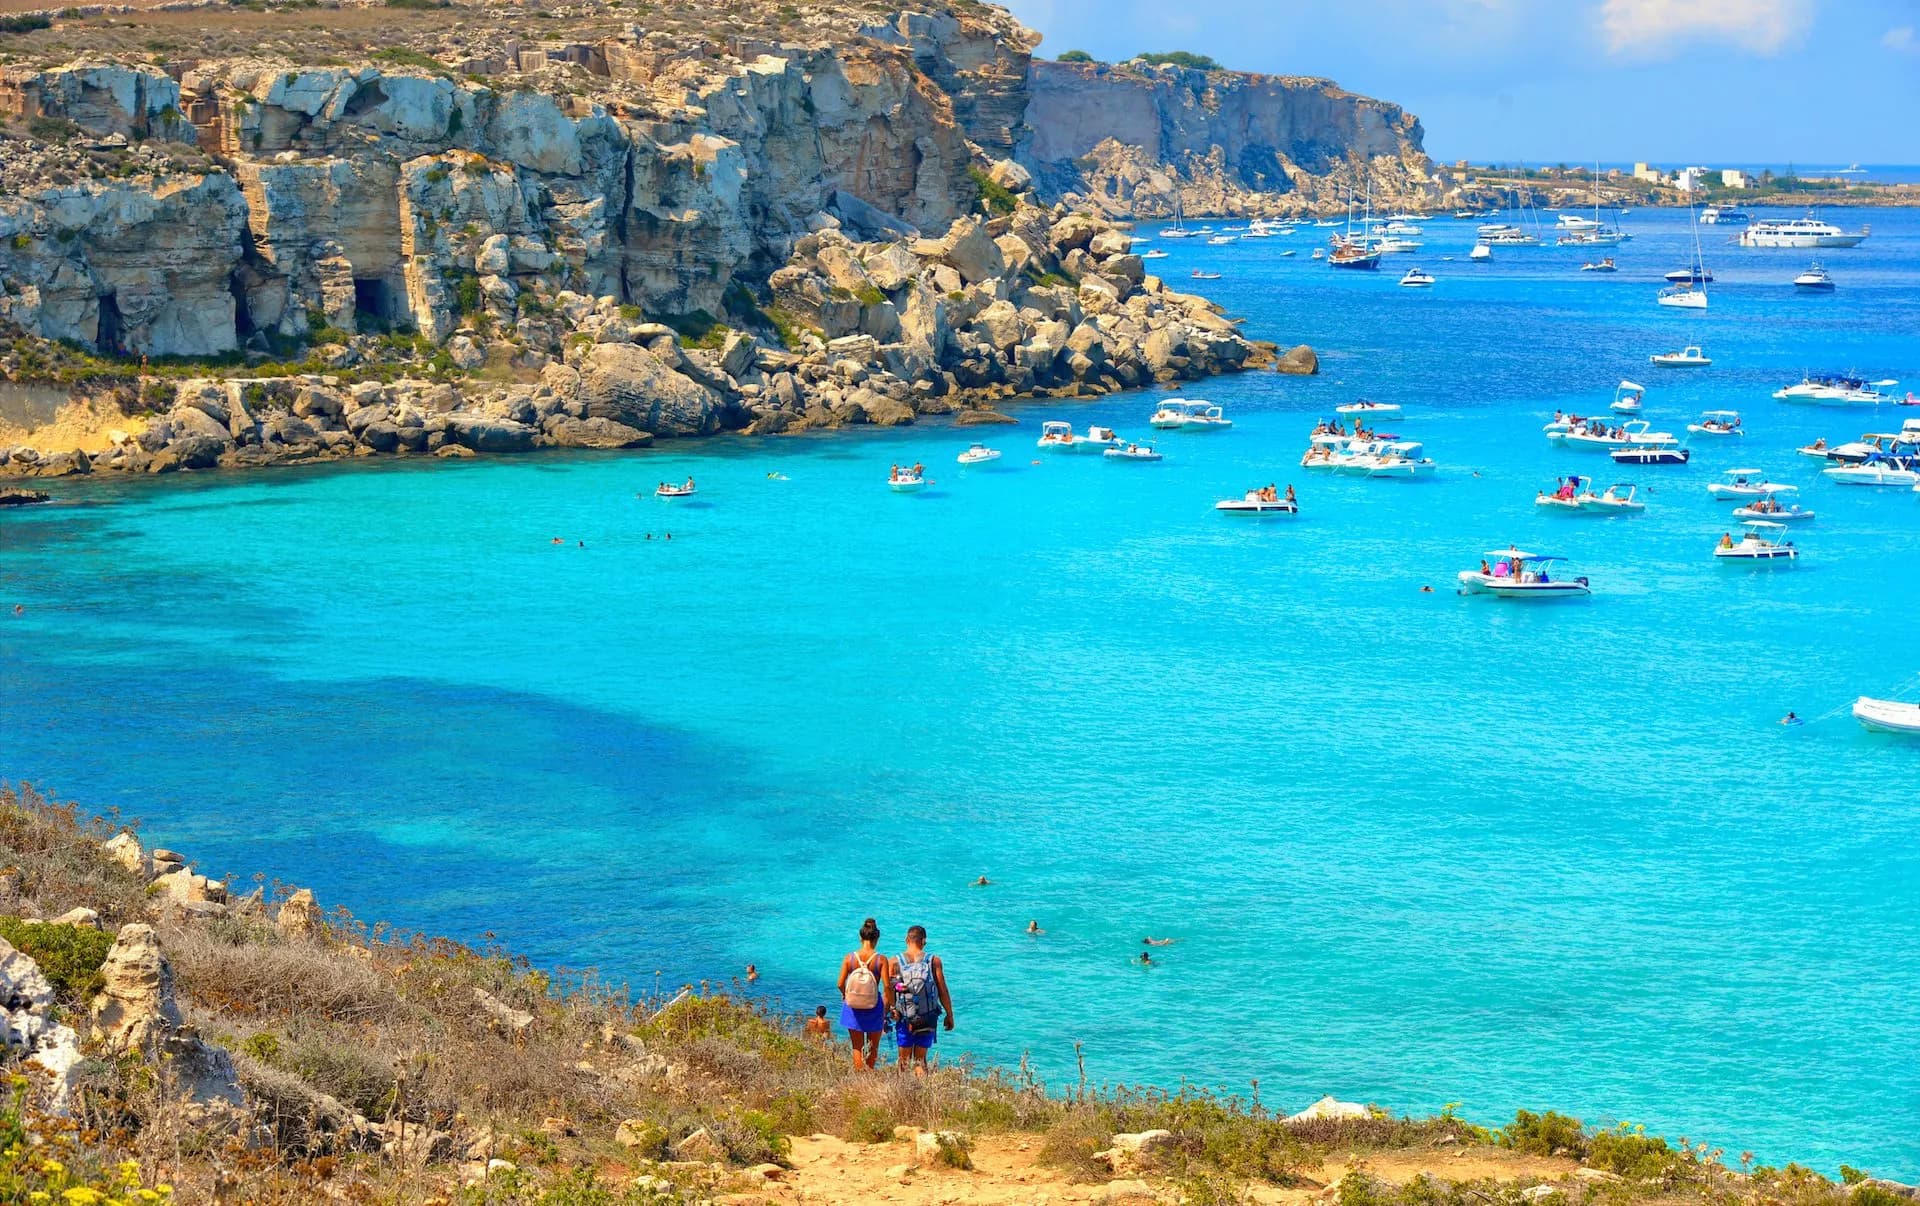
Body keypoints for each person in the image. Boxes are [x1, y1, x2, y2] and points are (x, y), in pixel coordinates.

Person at [885, 925, 953, 1075]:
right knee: (920, 1061)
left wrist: (888, 1013)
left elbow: (888, 991)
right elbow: (943, 990)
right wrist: (949, 1014)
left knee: (903, 1062)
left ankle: (901, 1095)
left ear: (906, 940)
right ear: (924, 941)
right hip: (927, 1017)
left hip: (904, 1018)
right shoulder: (934, 961)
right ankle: (923, 1095)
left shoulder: (894, 962)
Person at [837, 918, 888, 1070]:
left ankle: (859, 1078)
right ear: (877, 938)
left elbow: (840, 983)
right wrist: (889, 1005)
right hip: (874, 1005)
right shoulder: (881, 959)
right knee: (873, 1047)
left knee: (857, 1047)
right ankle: (869, 1075)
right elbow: (887, 986)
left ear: (860, 937)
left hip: (852, 1005)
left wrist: (845, 995)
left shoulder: (849, 958)